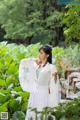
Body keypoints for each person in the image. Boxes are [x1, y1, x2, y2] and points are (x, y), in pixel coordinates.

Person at [19, 45, 61, 120]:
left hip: (44, 95)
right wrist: (33, 60)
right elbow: (23, 62)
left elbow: (55, 85)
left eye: (41, 53)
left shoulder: (51, 67)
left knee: (41, 115)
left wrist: (53, 101)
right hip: (34, 94)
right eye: (39, 53)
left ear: (47, 55)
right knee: (32, 115)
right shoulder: (36, 66)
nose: (39, 55)